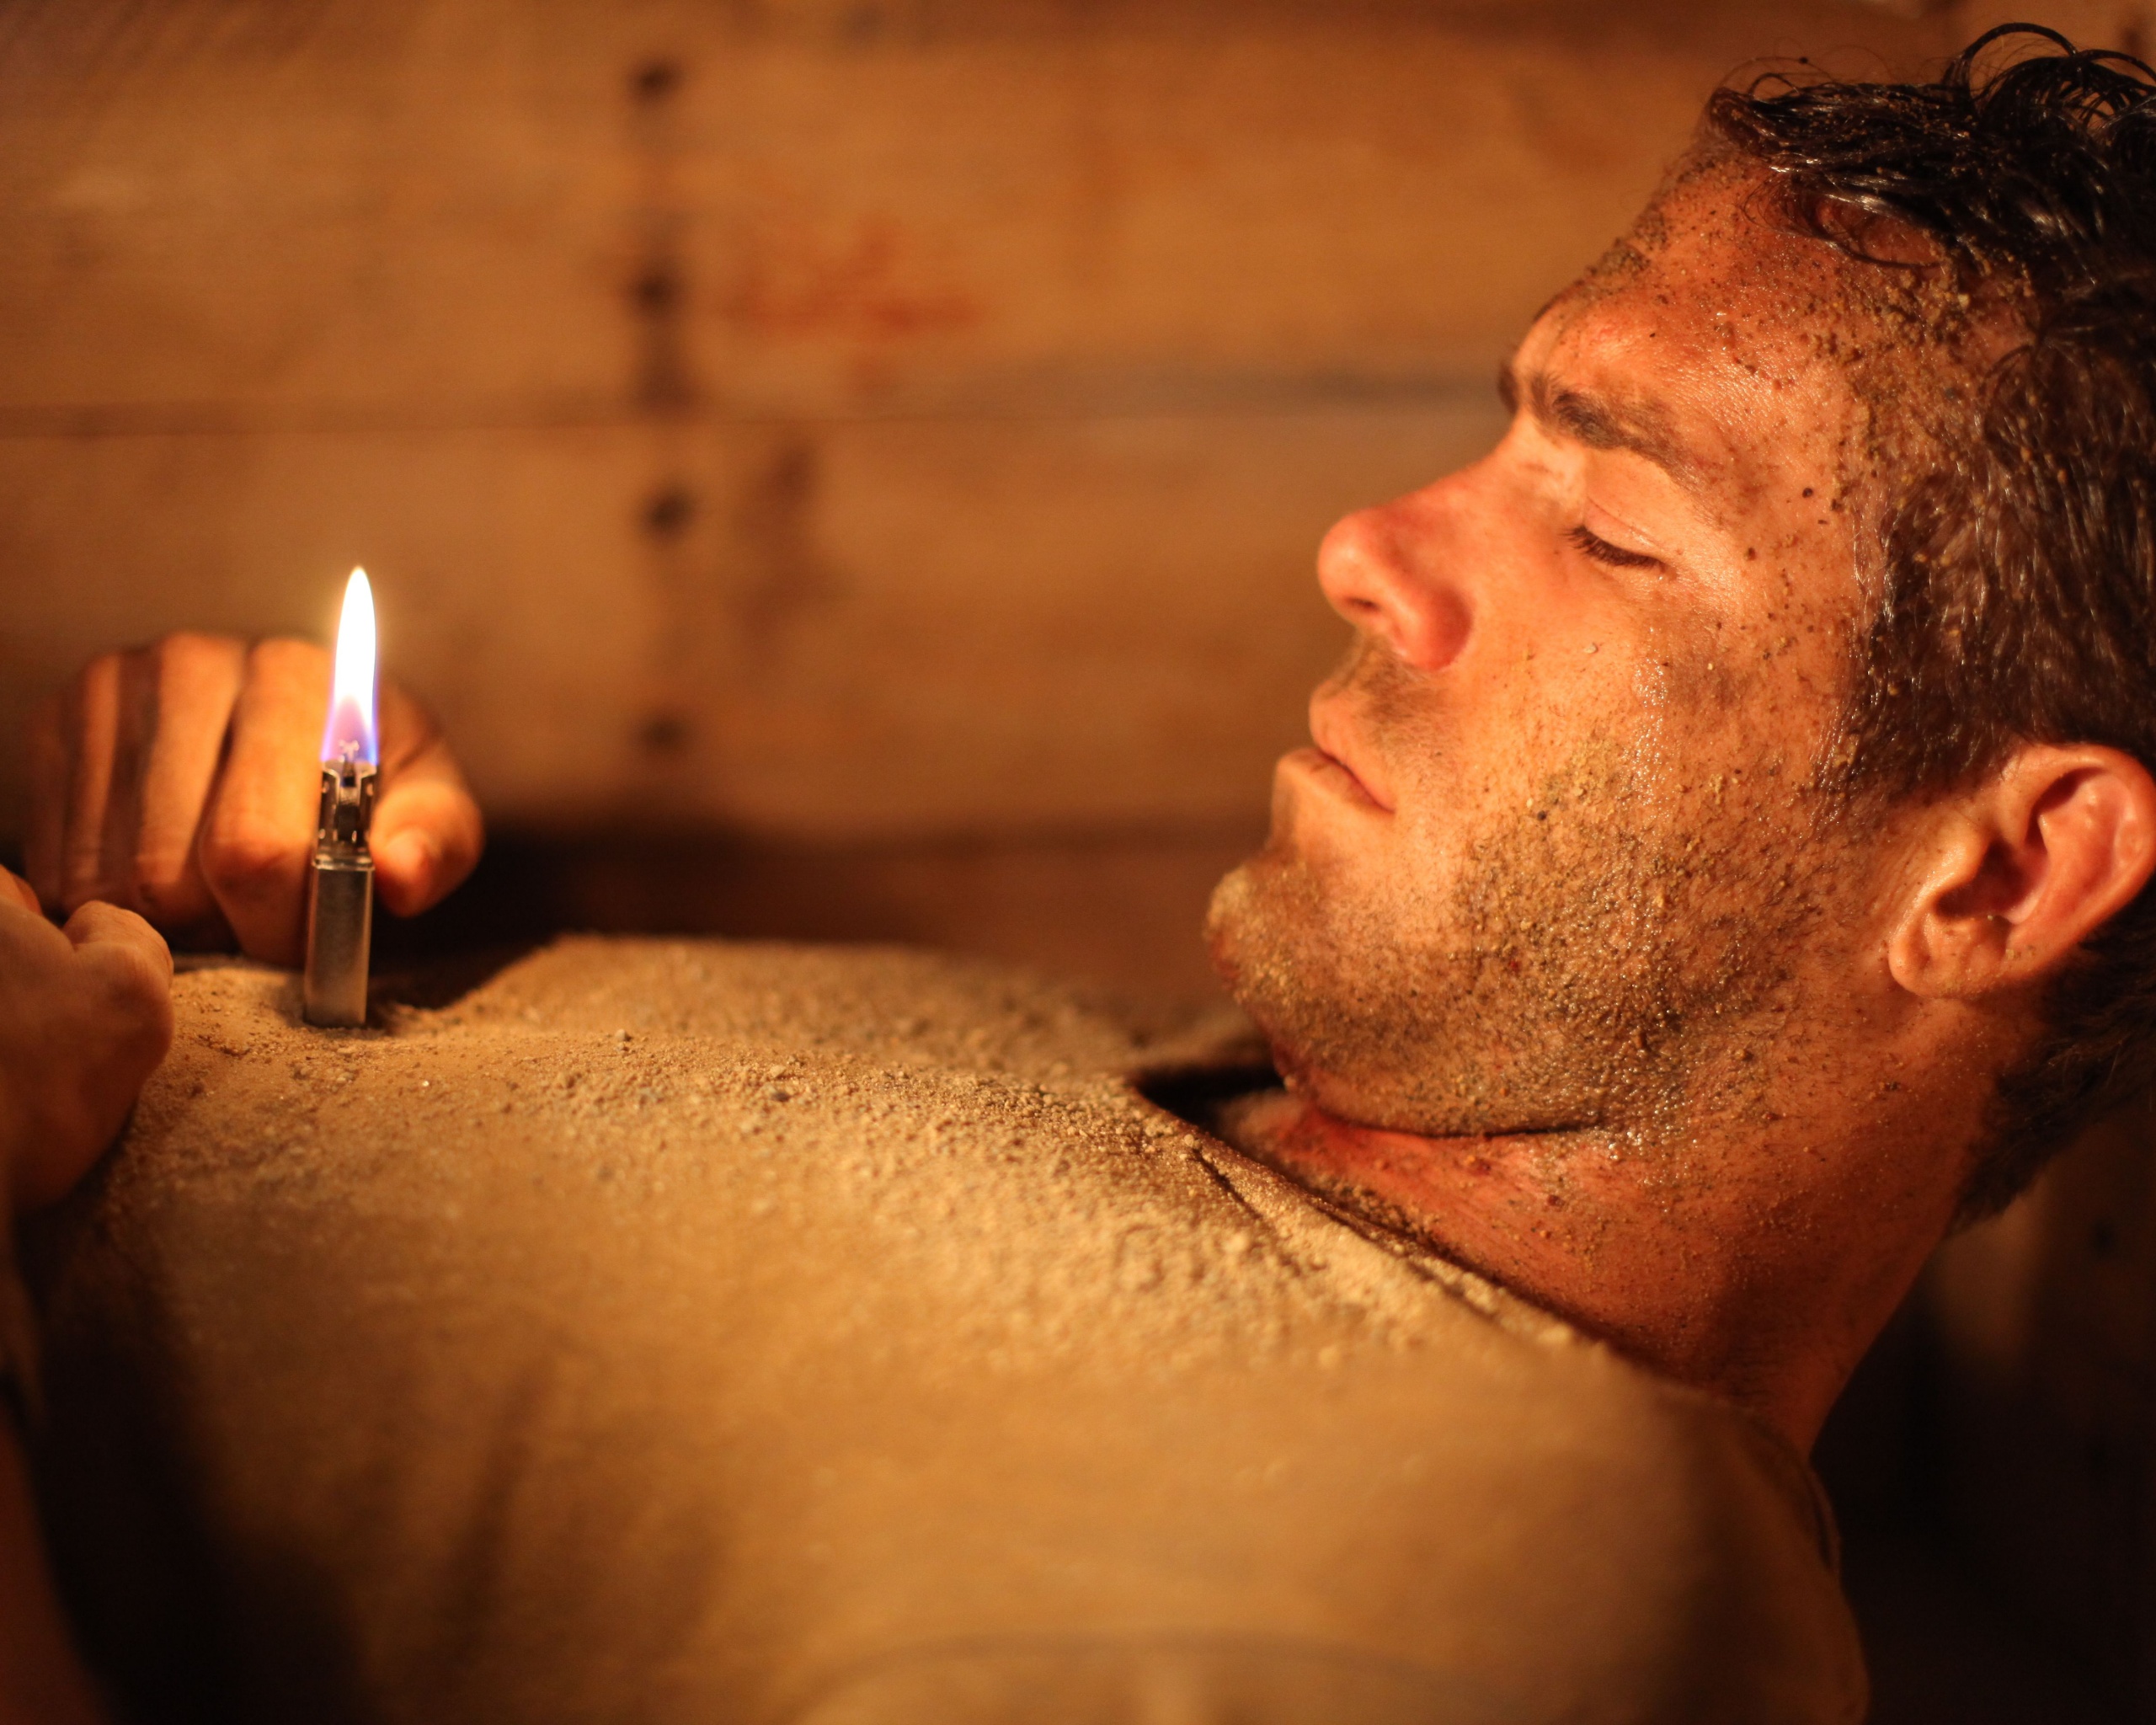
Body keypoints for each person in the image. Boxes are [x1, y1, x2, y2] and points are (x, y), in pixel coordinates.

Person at [8, 25, 2156, 1722]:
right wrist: (247, 878)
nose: (1366, 546)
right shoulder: (1225, 1088)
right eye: (1504, 433)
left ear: (1999, 875)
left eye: (1610, 527)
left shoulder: (1493, 1580)